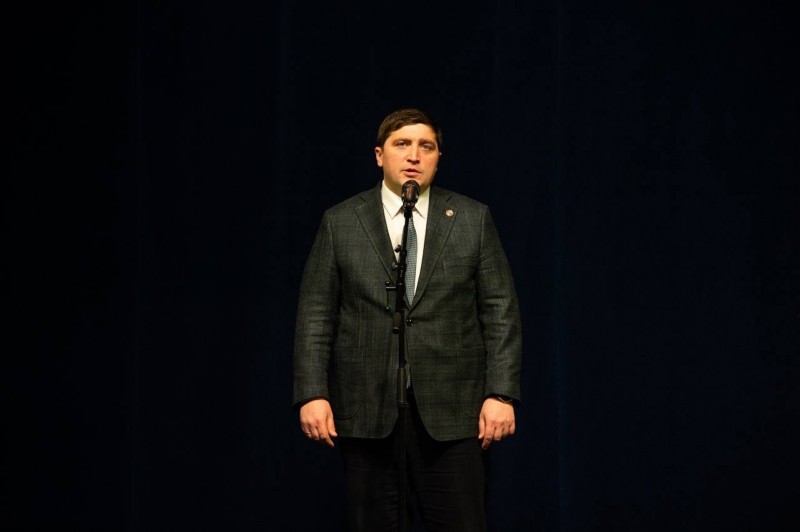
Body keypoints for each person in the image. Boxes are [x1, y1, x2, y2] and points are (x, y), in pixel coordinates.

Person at [293, 108, 521, 531]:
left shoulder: (472, 218)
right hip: (367, 409)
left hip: (455, 413)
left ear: (438, 158)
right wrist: (312, 393)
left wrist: (501, 394)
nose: (414, 155)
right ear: (380, 155)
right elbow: (316, 315)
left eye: (425, 146)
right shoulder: (341, 221)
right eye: (402, 144)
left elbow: (500, 311)